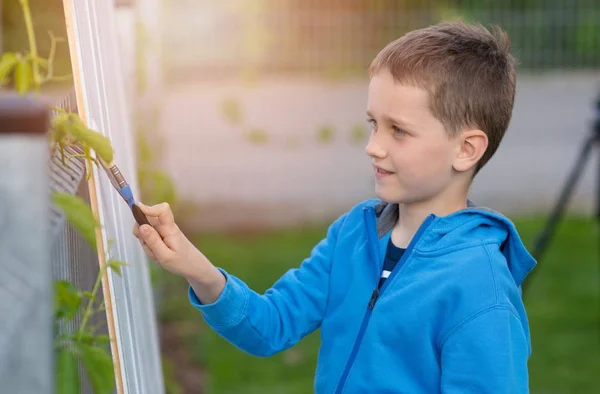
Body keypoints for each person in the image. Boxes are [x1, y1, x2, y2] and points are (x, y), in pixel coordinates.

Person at [134, 20, 536, 394]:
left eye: (398, 130)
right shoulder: (352, 235)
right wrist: (194, 267)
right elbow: (270, 325)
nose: (373, 146)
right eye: (373, 123)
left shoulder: (480, 289)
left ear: (466, 149)